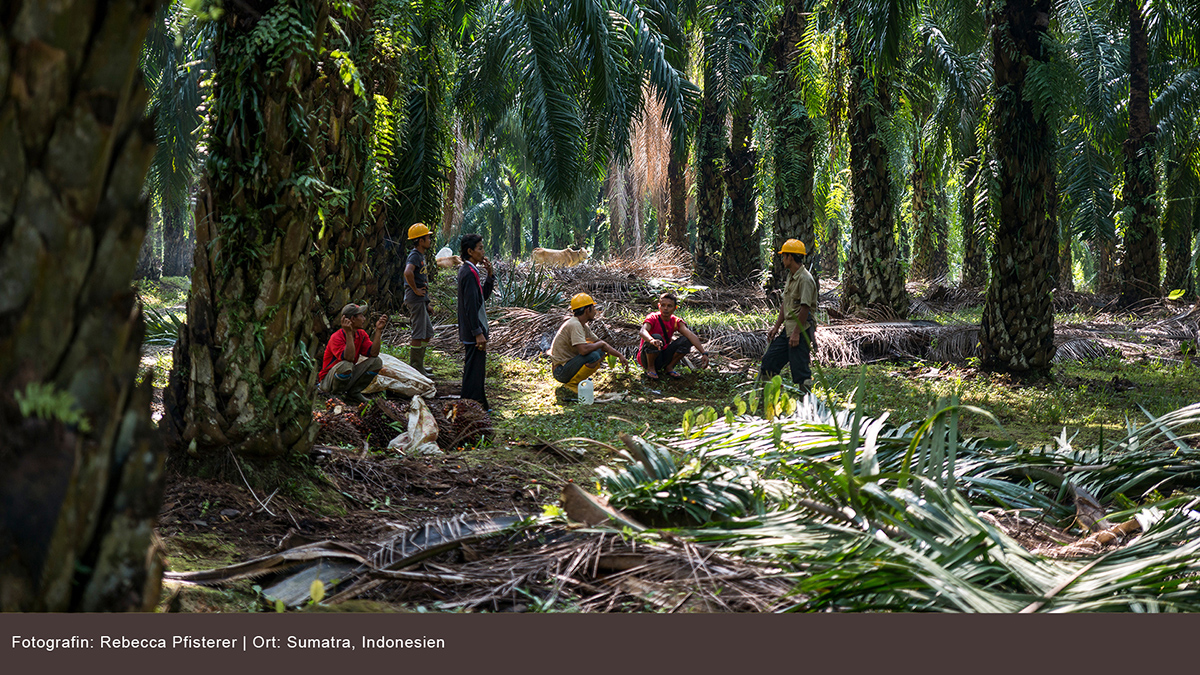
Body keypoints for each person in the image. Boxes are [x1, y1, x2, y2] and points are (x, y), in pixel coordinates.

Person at [548, 292, 628, 402]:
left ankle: (575, 383)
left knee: (599, 351)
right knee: (594, 354)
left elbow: (600, 342)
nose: (595, 311)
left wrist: (619, 355)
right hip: (561, 372)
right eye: (593, 308)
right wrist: (601, 345)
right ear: (587, 310)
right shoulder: (575, 325)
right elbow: (584, 350)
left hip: (566, 367)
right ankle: (572, 385)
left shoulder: (581, 325)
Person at [760, 239, 818, 391]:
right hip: (789, 329)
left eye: (784, 256)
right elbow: (786, 305)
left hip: (801, 330)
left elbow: (805, 308)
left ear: (790, 257)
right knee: (769, 361)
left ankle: (807, 404)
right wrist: (776, 327)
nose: (782, 259)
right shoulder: (791, 276)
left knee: (800, 371)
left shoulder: (805, 279)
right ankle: (768, 398)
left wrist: (796, 334)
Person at [318, 303, 388, 404]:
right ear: (352, 319)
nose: (364, 319)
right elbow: (349, 358)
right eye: (361, 316)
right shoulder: (336, 337)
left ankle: (354, 393)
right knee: (346, 365)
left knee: (376, 362)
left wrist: (378, 330)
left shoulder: (361, 334)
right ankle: (336, 394)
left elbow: (374, 353)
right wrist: (349, 333)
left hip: (347, 375)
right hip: (328, 382)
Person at [456, 233, 494, 410]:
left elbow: (481, 297)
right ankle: (471, 405)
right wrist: (477, 332)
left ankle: (476, 404)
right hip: (474, 330)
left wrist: (490, 276)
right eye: (480, 248)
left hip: (473, 328)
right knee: (474, 370)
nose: (483, 251)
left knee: (475, 368)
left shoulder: (471, 271)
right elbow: (470, 306)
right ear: (470, 251)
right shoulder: (469, 273)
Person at [637, 292, 709, 380]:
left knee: (686, 340)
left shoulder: (676, 321)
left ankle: (669, 367)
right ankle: (651, 368)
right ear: (659, 306)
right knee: (657, 337)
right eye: (663, 305)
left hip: (662, 356)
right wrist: (652, 340)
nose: (665, 308)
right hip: (646, 357)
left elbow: (690, 335)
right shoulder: (653, 318)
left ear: (675, 308)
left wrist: (704, 353)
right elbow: (642, 331)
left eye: (669, 306)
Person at [404, 223, 434, 377]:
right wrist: (415, 290)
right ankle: (415, 368)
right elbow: (408, 272)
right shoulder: (415, 255)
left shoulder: (420, 255)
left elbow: (421, 280)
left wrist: (426, 303)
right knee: (418, 334)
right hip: (414, 300)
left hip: (420, 301)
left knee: (427, 333)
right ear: (420, 241)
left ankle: (419, 365)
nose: (430, 239)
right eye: (428, 237)